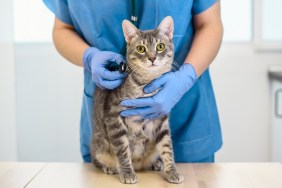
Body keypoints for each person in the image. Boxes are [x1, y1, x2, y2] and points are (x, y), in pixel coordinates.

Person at [43, 0, 223, 163]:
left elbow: (209, 23)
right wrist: (89, 57)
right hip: (110, 128)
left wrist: (187, 76)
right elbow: (62, 29)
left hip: (186, 118)